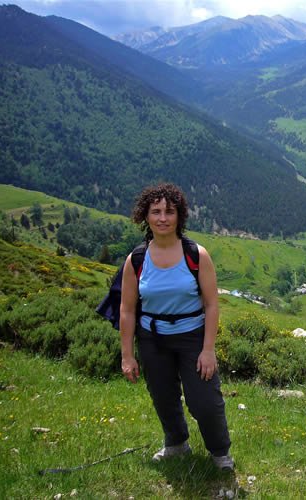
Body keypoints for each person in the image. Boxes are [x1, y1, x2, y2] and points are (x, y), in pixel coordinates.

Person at [119, 183, 233, 470]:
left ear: (179, 216)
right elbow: (127, 309)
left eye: (169, 212)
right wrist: (127, 355)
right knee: (163, 396)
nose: (162, 218)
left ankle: (220, 453)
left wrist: (208, 350)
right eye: (155, 211)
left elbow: (211, 305)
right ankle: (176, 443)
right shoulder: (136, 260)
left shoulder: (197, 255)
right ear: (145, 216)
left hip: (192, 337)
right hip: (152, 339)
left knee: (205, 401)